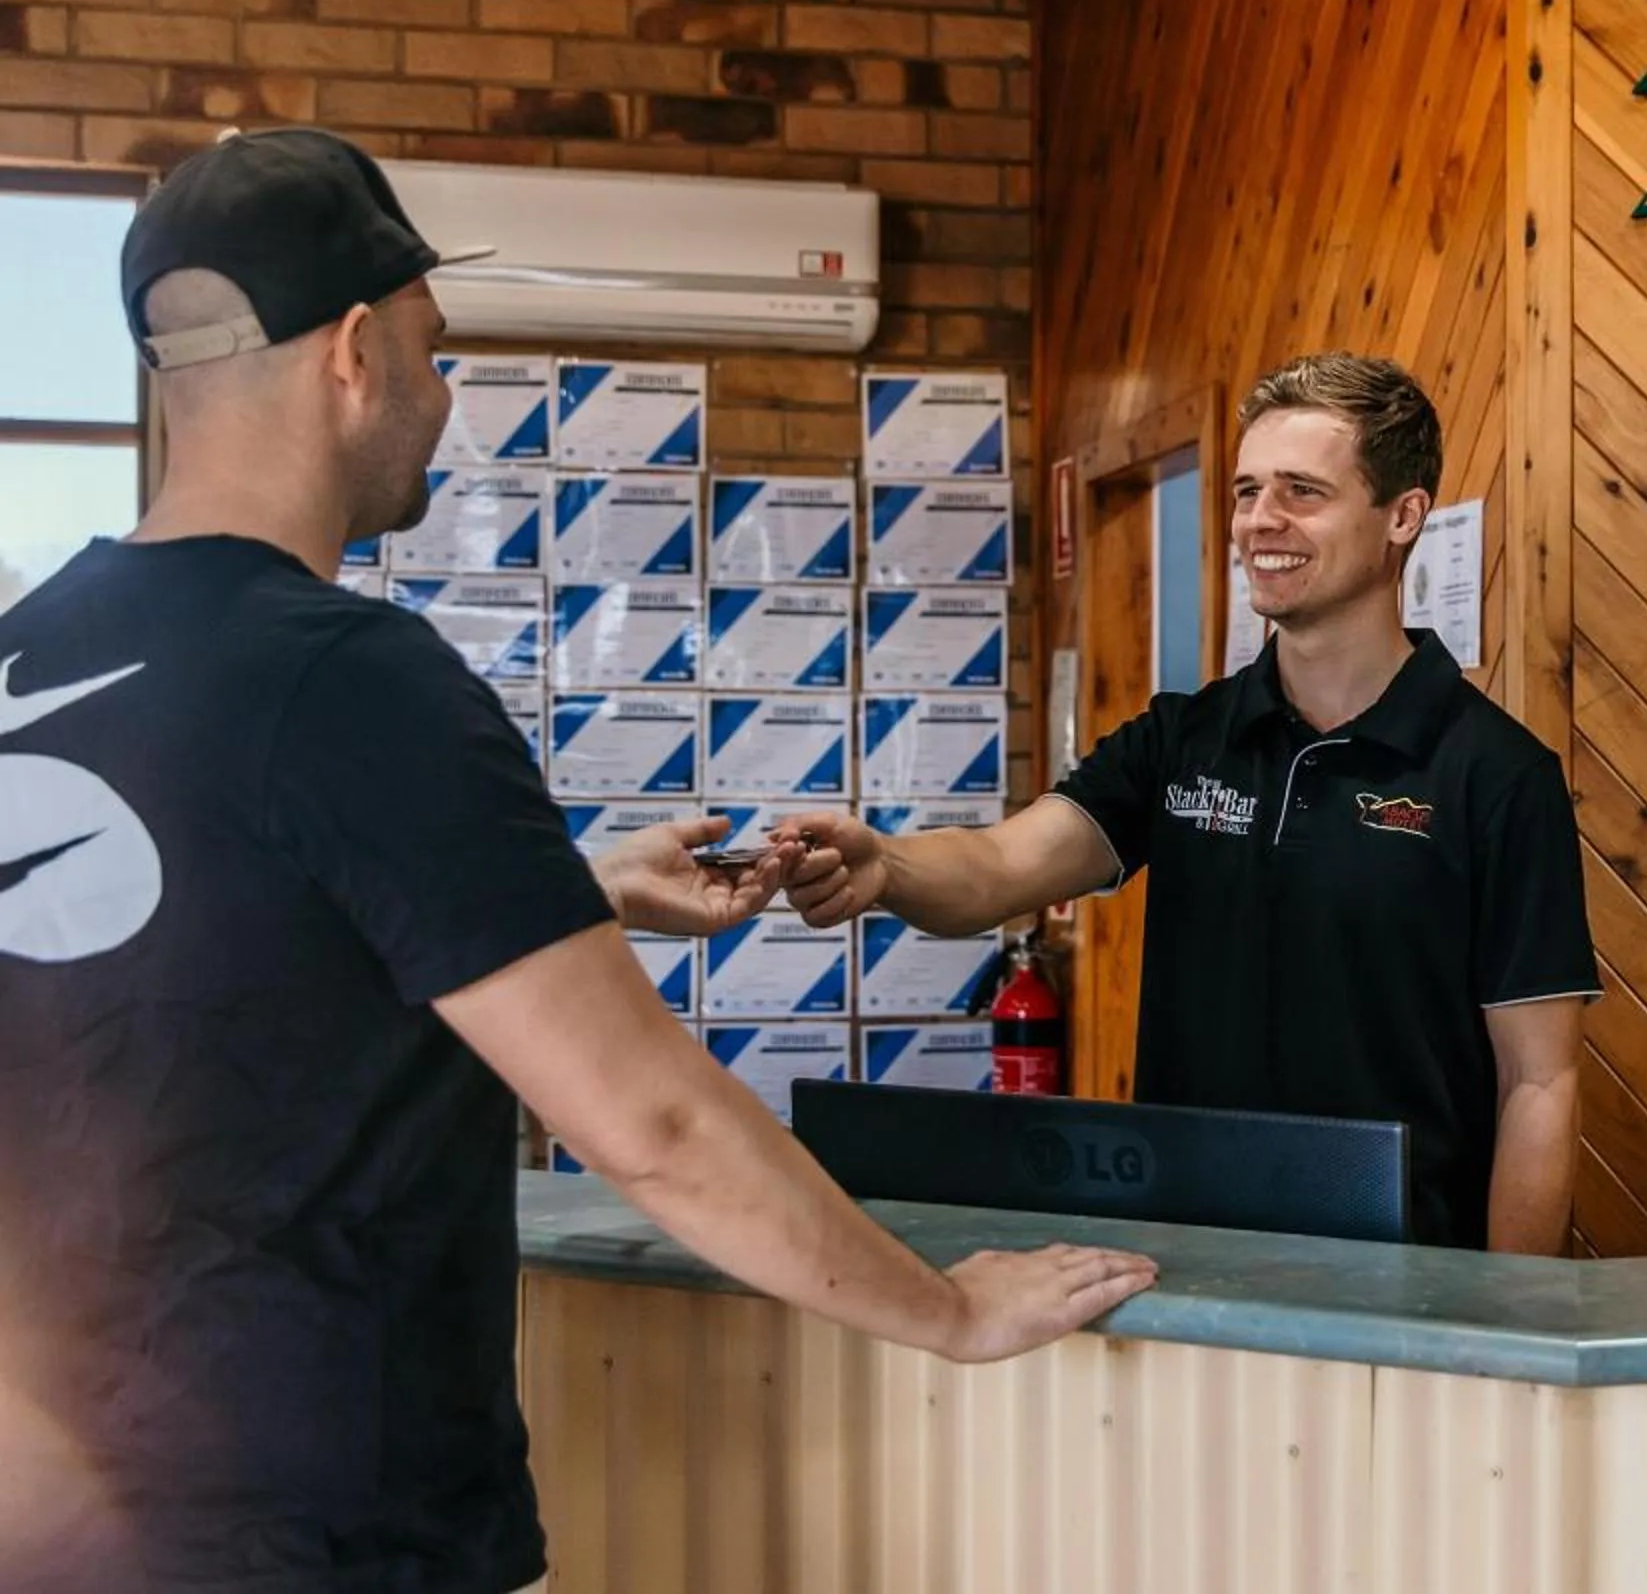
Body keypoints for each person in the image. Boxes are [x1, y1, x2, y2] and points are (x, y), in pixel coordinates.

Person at [0, 127, 1153, 1594]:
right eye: (431, 347)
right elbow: (652, 1124)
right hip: (327, 1545)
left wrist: (573, 893)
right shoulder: (352, 679)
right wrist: (949, 1311)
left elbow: (196, 947)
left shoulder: (28, 658)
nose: (443, 393)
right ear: (351, 354)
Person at [781, 353, 1599, 1252]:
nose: (1260, 520)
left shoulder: (1498, 776)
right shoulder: (1183, 740)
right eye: (1248, 491)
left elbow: (1539, 1082)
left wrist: (1506, 1314)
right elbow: (999, 867)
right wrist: (886, 865)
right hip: (1185, 1266)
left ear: (1403, 516)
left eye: (1302, 491)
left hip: (1406, 1286)